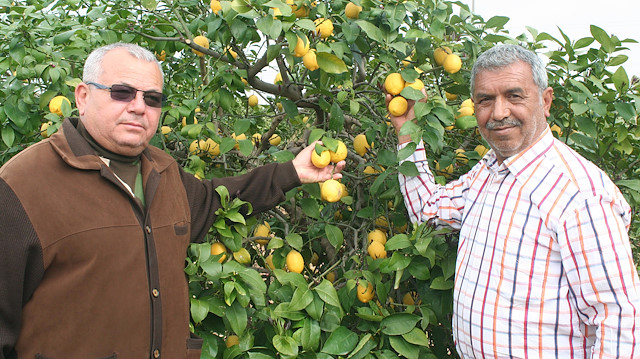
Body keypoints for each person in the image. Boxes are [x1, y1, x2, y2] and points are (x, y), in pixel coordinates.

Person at [0, 42, 345, 359]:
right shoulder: (23, 186)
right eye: (122, 93)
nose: (139, 107)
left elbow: (217, 200)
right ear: (83, 96)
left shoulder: (163, 172)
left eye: (152, 98)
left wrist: (292, 173)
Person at [387, 44, 640, 358]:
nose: (498, 112)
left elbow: (620, 322)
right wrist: (408, 134)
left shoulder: (580, 196)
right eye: (485, 100)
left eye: (514, 95)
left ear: (545, 101)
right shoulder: (490, 171)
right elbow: (428, 209)